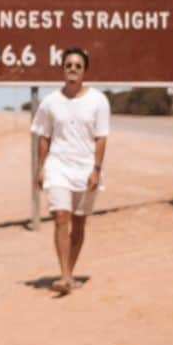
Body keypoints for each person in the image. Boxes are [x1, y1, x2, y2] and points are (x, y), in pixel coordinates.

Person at [31, 46, 110, 295]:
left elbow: (101, 138)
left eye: (78, 65)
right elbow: (43, 137)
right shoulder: (50, 102)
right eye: (69, 65)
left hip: (86, 168)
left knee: (79, 223)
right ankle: (65, 277)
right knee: (60, 217)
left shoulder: (98, 100)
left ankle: (69, 272)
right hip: (58, 166)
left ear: (84, 70)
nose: (73, 69)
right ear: (63, 69)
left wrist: (96, 169)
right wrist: (41, 168)